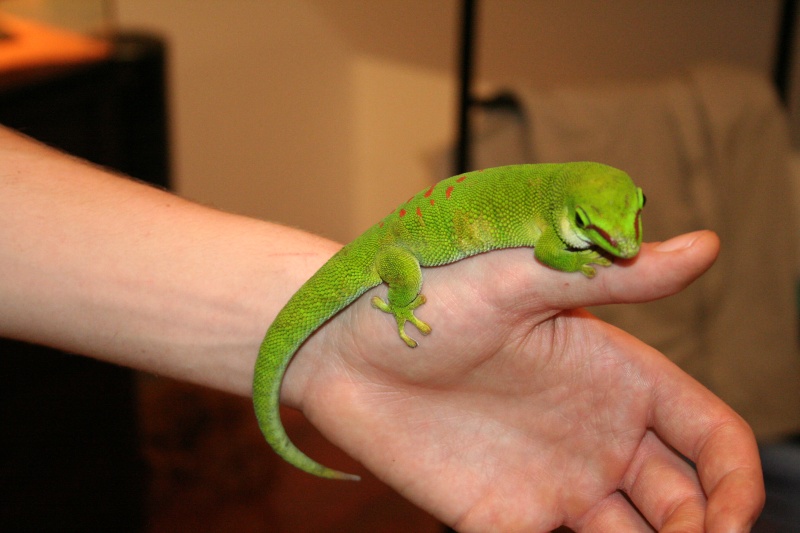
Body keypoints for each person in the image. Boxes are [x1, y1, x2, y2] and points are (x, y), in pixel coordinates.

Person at [0, 125, 762, 531]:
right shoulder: (549, 214)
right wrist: (393, 309)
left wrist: (331, 356)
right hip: (394, 258)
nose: (622, 245)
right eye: (601, 230)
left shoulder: (569, 197)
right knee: (393, 274)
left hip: (393, 252)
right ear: (578, 204)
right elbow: (547, 248)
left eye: (629, 222)